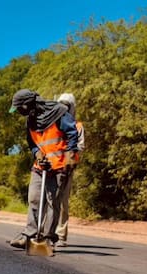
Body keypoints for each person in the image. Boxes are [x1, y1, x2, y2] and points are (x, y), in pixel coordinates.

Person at [7, 89, 79, 251]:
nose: (19, 112)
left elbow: (72, 134)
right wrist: (38, 154)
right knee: (34, 198)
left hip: (60, 166)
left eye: (19, 108)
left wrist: (69, 158)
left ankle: (47, 238)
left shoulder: (59, 113)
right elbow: (31, 142)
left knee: (53, 202)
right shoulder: (31, 120)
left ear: (27, 105)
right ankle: (30, 234)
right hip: (41, 166)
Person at [53, 93, 85, 247]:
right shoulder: (53, 124)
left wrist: (69, 158)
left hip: (67, 167)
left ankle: (60, 236)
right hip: (52, 166)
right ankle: (46, 233)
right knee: (49, 201)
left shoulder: (78, 126)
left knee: (63, 201)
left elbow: (81, 146)